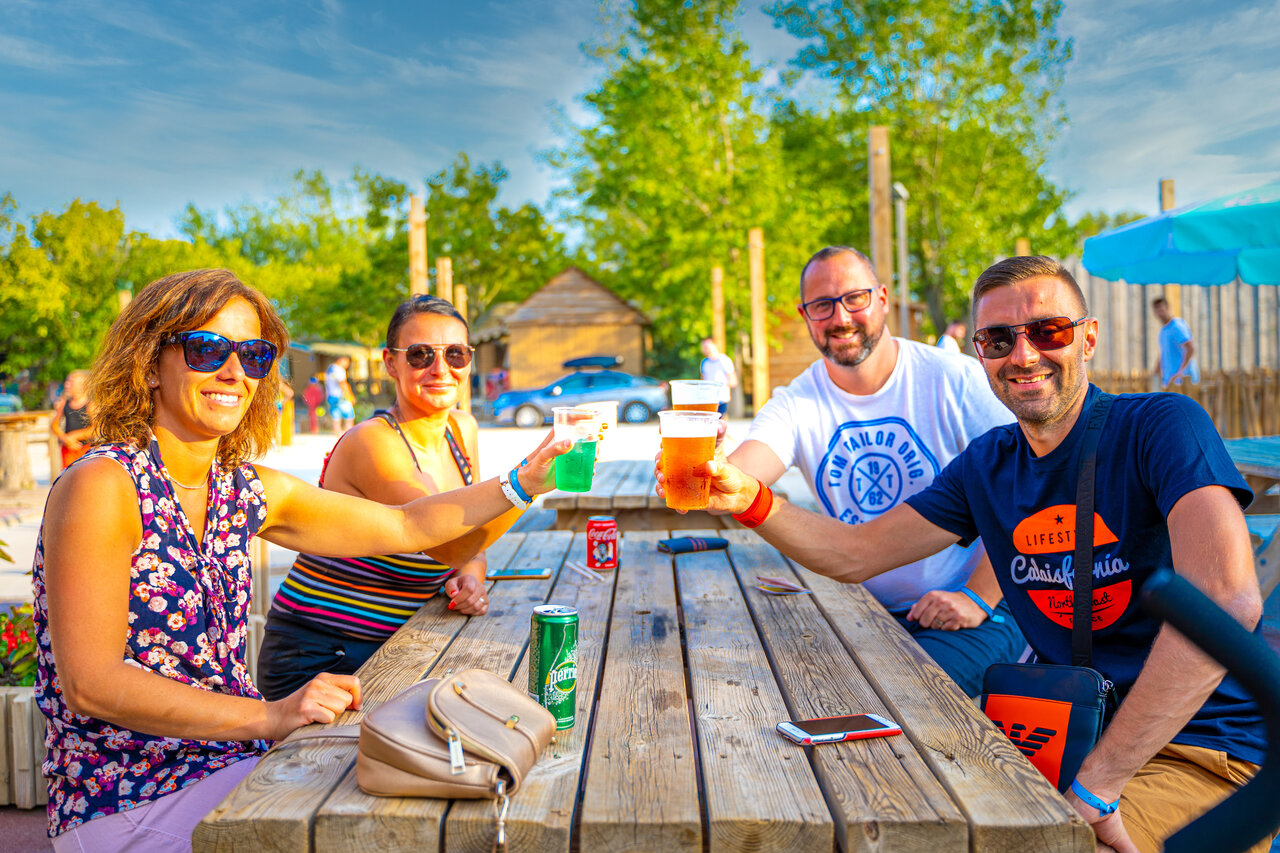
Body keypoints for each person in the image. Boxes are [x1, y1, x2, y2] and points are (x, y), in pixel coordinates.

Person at [675, 256, 1269, 853]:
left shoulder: (1161, 424)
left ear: (1087, 337)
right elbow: (856, 553)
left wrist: (1097, 784)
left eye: (1048, 331)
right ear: (980, 354)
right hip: (1068, 733)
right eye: (998, 339)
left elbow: (1225, 600)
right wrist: (749, 500)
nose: (1024, 354)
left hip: (1201, 749)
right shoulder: (989, 463)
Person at [33, 269, 567, 852]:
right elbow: (91, 684)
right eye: (207, 348)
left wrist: (525, 480)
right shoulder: (102, 485)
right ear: (148, 362)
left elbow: (409, 525)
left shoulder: (241, 487)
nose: (234, 372)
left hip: (235, 764)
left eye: (255, 355)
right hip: (132, 795)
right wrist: (272, 716)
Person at [728, 246, 1025, 697]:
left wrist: (978, 594)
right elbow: (747, 472)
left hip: (985, 602)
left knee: (902, 696)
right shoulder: (798, 401)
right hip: (870, 609)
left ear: (883, 298)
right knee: (769, 683)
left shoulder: (953, 378)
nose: (840, 316)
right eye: (822, 305)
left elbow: (1034, 484)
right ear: (805, 315)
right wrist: (709, 472)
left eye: (854, 298)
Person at [257, 295, 502, 699]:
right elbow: (446, 540)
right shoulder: (372, 442)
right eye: (421, 355)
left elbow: (469, 541)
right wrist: (526, 481)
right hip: (322, 653)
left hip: (403, 639)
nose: (441, 369)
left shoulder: (463, 428)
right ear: (391, 362)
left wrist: (470, 578)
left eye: (456, 354)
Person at [1151, 296, 1199, 388]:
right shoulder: (1163, 330)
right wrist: (1156, 373)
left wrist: (1181, 372)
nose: (1159, 313)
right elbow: (1164, 354)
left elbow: (1190, 348)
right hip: (1171, 381)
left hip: (1184, 381)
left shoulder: (1177, 326)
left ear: (1167, 308)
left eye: (1161, 309)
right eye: (1157, 311)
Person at [50, 370, 92, 468]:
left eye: (71, 382)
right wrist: (64, 438)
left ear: (82, 386)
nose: (66, 385)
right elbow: (54, 425)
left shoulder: (90, 404)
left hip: (86, 448)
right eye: (66, 382)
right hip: (68, 448)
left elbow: (95, 429)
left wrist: (74, 436)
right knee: (68, 474)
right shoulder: (65, 403)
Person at [699, 338, 737, 416]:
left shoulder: (724, 360)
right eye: (703, 346)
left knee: (720, 422)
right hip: (708, 399)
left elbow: (733, 381)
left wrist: (720, 387)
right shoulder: (704, 362)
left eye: (707, 346)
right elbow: (702, 381)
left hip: (721, 399)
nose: (705, 348)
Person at [325, 355, 355, 434]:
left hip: (331, 395)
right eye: (347, 362)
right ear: (342, 359)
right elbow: (342, 383)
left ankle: (337, 434)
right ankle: (349, 434)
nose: (347, 365)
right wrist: (350, 396)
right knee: (349, 415)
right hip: (340, 396)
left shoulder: (330, 368)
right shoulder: (339, 369)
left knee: (336, 415)